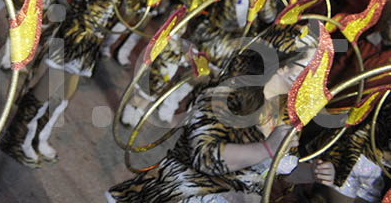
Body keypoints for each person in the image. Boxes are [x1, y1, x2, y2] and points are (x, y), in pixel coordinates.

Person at [106, 25, 337, 203]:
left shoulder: (287, 116)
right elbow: (205, 157)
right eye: (307, 70)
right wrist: (266, 148)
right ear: (281, 64)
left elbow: (279, 173)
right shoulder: (226, 96)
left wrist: (312, 173)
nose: (312, 81)